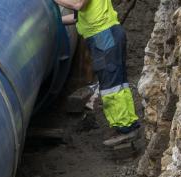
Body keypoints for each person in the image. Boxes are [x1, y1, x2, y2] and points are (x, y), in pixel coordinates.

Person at [56, 0, 140, 147]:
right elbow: (77, 16)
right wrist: (54, 20)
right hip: (104, 34)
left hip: (104, 35)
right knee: (118, 84)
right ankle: (127, 125)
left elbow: (78, 5)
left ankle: (125, 129)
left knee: (111, 85)